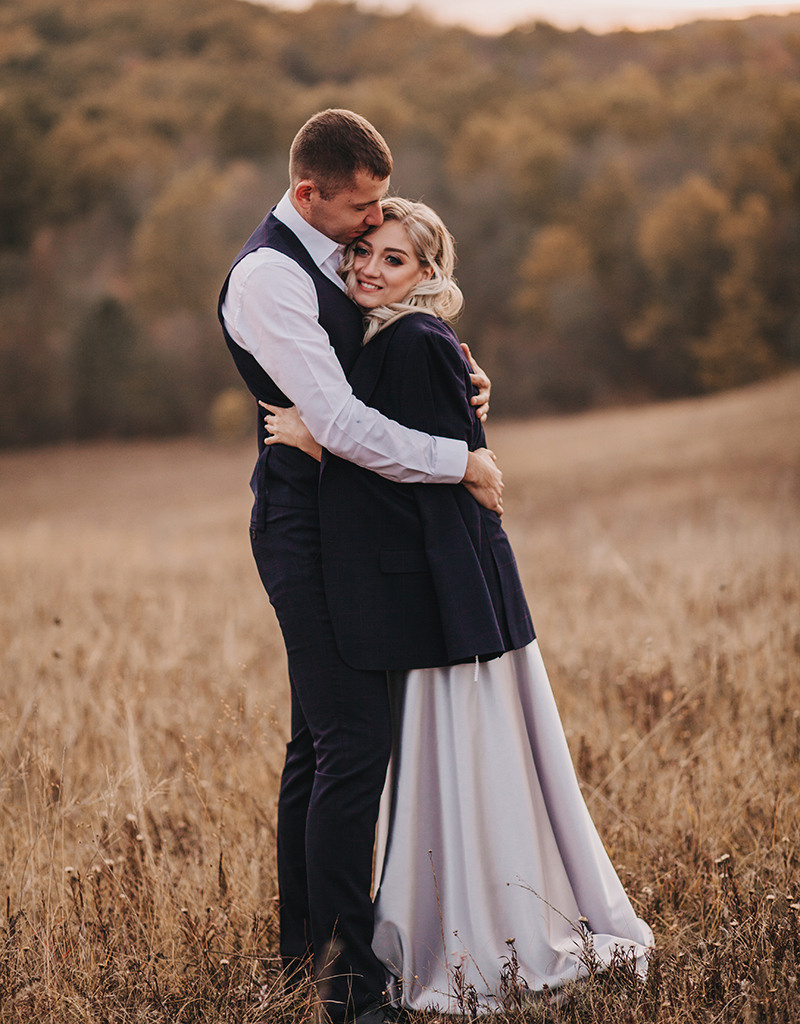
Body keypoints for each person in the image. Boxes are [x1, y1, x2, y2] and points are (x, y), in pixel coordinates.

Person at [262, 198, 654, 1013]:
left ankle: (467, 936)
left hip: (453, 605)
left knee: (455, 765)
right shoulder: (390, 337)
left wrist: (321, 446)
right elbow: (402, 443)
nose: (369, 266)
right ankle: (326, 950)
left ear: (430, 275)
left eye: (393, 259)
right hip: (431, 601)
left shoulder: (412, 339)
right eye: (363, 249)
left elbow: (419, 489)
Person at [217, 110, 504, 1024]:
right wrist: (460, 460)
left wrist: (453, 372)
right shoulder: (270, 274)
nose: (372, 226)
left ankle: (305, 951)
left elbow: (373, 370)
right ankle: (350, 987)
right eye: (363, 208)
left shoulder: (333, 266)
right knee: (352, 747)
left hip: (349, 518)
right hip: (305, 524)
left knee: (319, 744)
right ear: (310, 195)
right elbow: (336, 422)